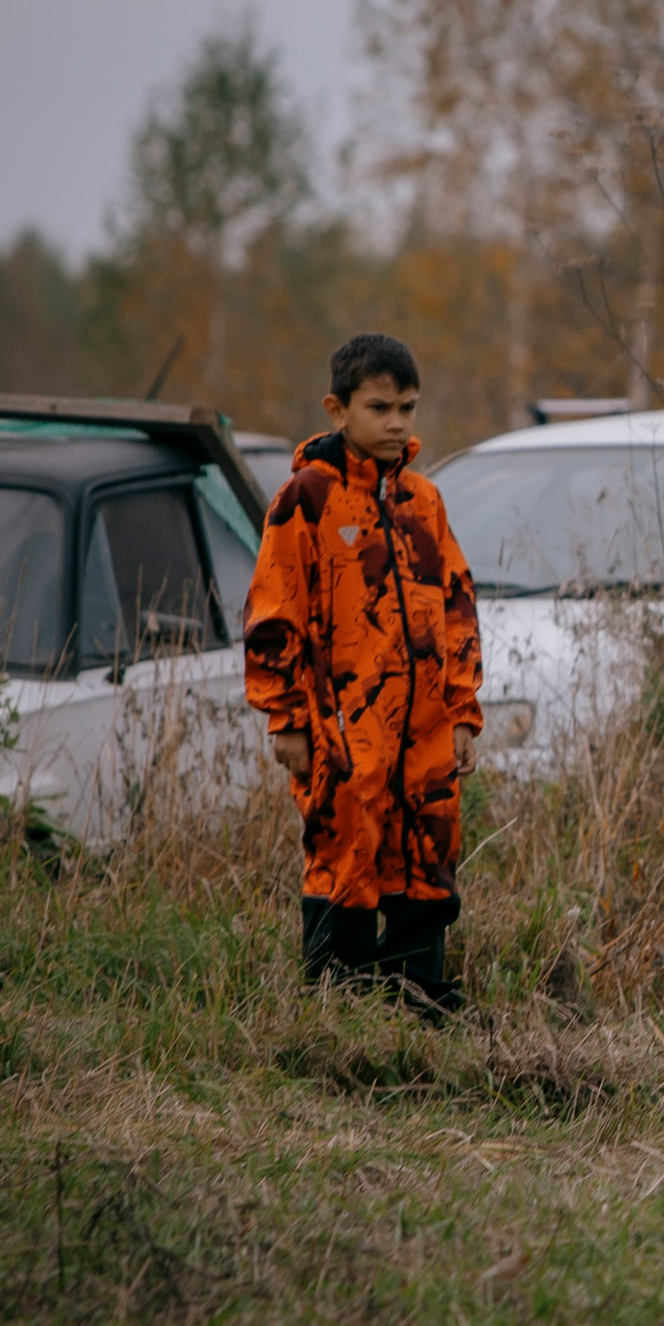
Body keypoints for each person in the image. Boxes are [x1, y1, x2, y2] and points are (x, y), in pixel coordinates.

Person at [245, 333, 482, 1016]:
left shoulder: (424, 503)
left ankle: (417, 993)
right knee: (346, 843)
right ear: (337, 408)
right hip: (344, 723)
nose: (397, 423)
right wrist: (284, 715)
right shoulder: (306, 500)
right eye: (380, 407)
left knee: (429, 845)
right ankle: (337, 998)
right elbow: (272, 611)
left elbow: (459, 604)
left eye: (407, 407)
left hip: (427, 725)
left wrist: (463, 710)